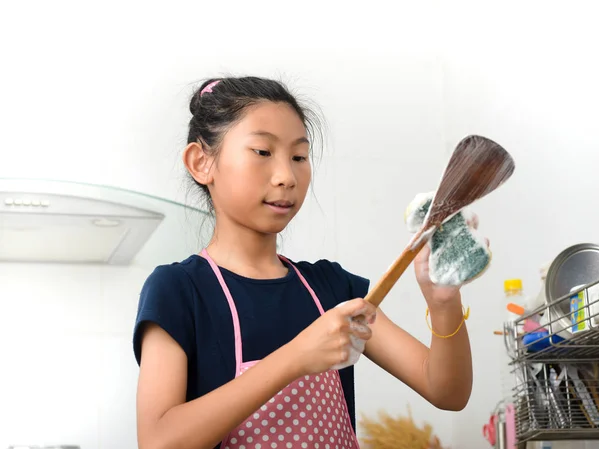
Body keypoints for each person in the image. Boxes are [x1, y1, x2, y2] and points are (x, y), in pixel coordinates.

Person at [133, 76, 475, 449]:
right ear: (201, 163)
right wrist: (297, 356)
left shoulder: (331, 288)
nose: (287, 177)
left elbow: (447, 392)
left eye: (299, 157)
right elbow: (158, 441)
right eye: (263, 152)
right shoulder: (179, 290)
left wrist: (444, 303)